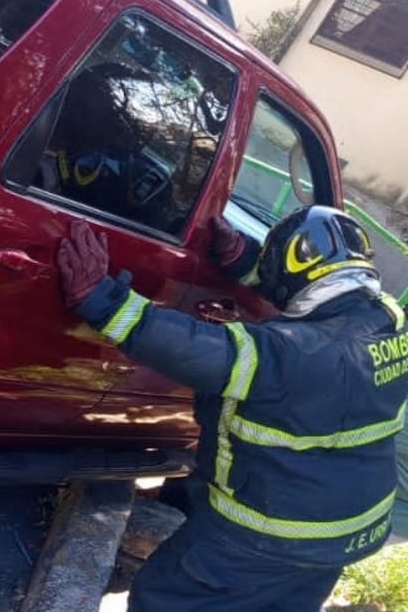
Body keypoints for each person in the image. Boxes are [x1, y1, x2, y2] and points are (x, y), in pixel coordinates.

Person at [53, 206, 408, 611]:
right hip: (353, 528)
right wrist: (242, 257)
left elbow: (195, 351)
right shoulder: (390, 320)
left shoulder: (290, 354)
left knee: (164, 597)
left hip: (268, 532)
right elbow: (302, 300)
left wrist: (103, 302)